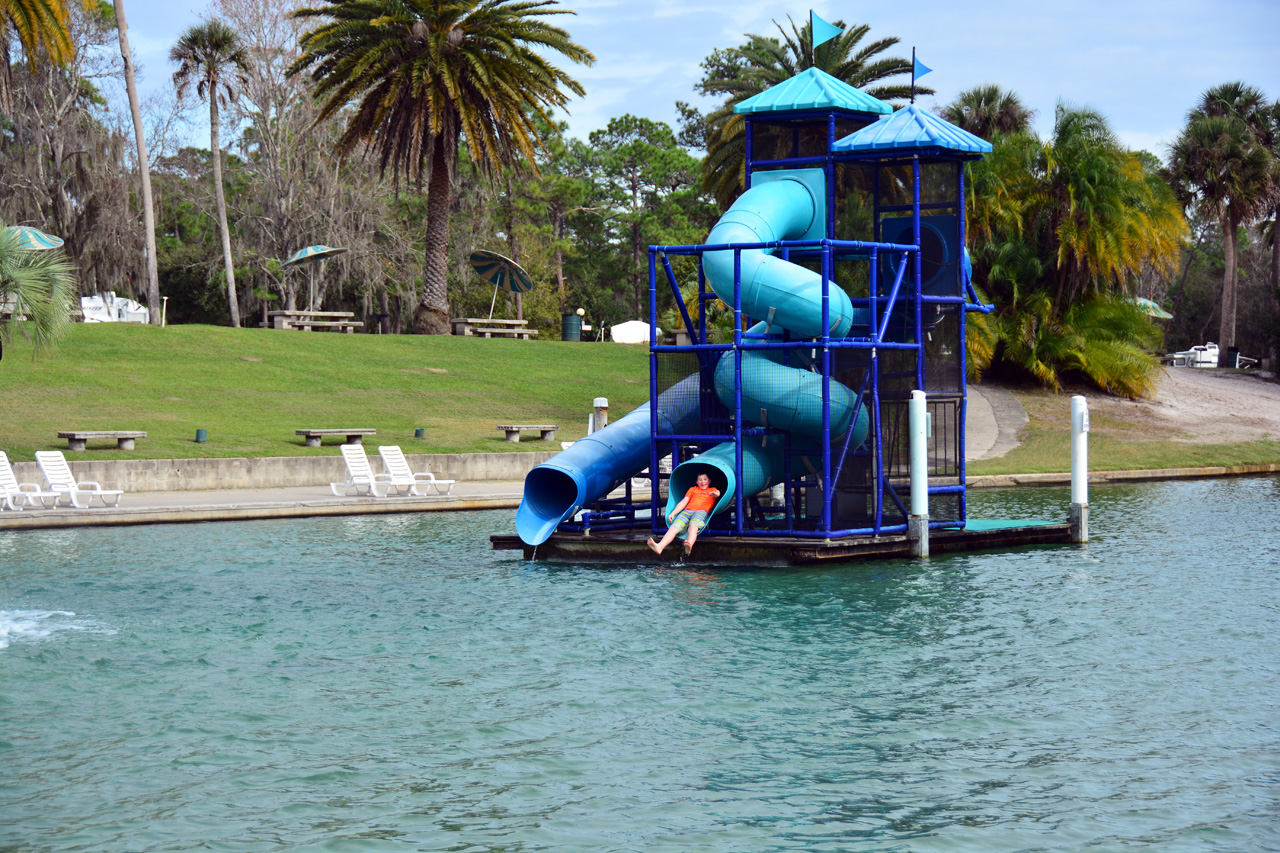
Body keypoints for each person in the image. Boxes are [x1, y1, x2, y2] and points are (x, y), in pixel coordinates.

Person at [648, 472, 720, 556]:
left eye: (705, 479)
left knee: (693, 527)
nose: (702, 482)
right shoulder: (693, 489)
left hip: (701, 512)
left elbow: (718, 493)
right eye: (700, 480)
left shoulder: (712, 490)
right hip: (687, 511)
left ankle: (689, 544)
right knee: (673, 527)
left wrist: (715, 494)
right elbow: (683, 502)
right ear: (697, 482)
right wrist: (673, 513)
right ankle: (660, 546)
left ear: (709, 481)